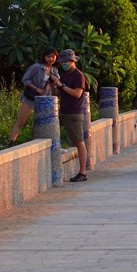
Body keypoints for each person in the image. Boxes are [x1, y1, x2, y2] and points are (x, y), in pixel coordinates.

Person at [8, 47, 60, 145]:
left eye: (53, 57)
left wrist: (54, 83)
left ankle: (40, 142)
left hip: (44, 99)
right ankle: (11, 142)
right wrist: (36, 88)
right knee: (21, 121)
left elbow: (56, 86)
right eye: (48, 56)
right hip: (31, 97)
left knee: (43, 122)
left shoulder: (54, 70)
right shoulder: (36, 67)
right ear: (44, 57)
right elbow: (25, 80)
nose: (51, 59)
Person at [52, 49, 88, 182]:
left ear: (72, 61)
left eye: (65, 62)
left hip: (74, 112)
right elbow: (61, 92)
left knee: (79, 142)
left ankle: (83, 172)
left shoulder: (79, 75)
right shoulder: (65, 75)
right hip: (64, 111)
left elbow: (77, 93)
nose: (63, 64)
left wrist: (62, 85)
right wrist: (56, 86)